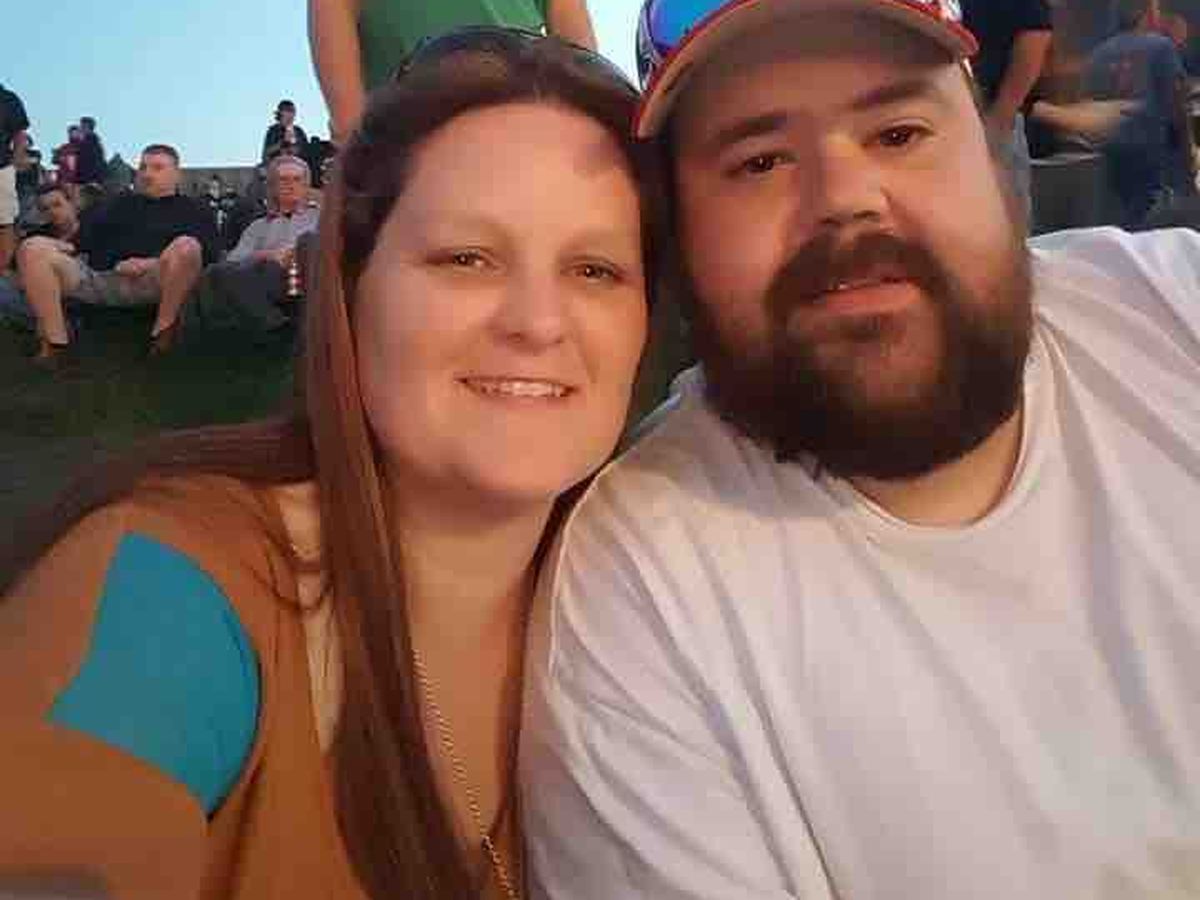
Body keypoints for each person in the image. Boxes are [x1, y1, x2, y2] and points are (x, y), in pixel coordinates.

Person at [522, 0, 1200, 898]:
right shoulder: (639, 597)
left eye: (898, 133)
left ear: (994, 156)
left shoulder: (1172, 309)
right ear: (679, 238)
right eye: (760, 160)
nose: (843, 198)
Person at [0, 29, 655, 900]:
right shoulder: (175, 585)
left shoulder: (656, 600)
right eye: (466, 258)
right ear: (350, 286)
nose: (538, 323)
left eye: (595, 268)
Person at [15, 143, 218, 365]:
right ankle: (55, 344)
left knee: (187, 246)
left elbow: (209, 254)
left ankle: (163, 336)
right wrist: (44, 248)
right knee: (32, 247)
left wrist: (152, 263)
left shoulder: (195, 210)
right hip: (105, 277)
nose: (147, 174)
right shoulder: (116, 203)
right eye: (143, 167)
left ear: (177, 174)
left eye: (158, 168)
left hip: (157, 278)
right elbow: (80, 242)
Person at [308, 0, 598, 144]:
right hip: (407, 130)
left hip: (528, 116)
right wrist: (353, 130)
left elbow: (569, 23)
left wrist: (589, 110)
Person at [1080, 0, 1195, 226]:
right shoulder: (1161, 46)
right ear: (1147, 12)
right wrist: (1188, 152)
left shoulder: (1097, 55)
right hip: (1156, 157)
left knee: (1128, 228)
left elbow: (1088, 110)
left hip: (1114, 160)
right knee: (1167, 229)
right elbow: (1177, 103)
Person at [195, 155, 321, 335]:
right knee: (214, 273)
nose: (291, 185)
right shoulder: (258, 226)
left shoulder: (322, 218)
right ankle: (276, 324)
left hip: (306, 276)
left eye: (297, 179)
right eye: (283, 180)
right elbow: (233, 261)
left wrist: (293, 253)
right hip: (260, 278)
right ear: (273, 186)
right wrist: (264, 255)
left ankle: (276, 326)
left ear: (306, 185)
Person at [961, 0, 1053, 214]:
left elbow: (1035, 31)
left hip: (987, 111)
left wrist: (1002, 115)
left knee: (1002, 212)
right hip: (943, 109)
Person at [0, 82, 30, 272]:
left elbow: (20, 134)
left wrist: (15, 162)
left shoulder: (8, 98)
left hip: (1, 167)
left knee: (5, 221)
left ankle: (2, 272)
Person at [262, 99, 310, 164]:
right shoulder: (273, 131)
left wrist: (294, 147)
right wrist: (282, 143)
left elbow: (305, 152)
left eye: (292, 112)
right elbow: (266, 153)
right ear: (280, 114)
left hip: (296, 165)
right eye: (287, 111)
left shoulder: (299, 132)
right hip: (276, 165)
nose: (291, 116)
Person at [76, 116, 108, 187]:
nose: (80, 128)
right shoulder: (85, 142)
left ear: (88, 127)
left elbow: (94, 161)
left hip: (90, 180)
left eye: (83, 126)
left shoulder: (92, 141)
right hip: (86, 179)